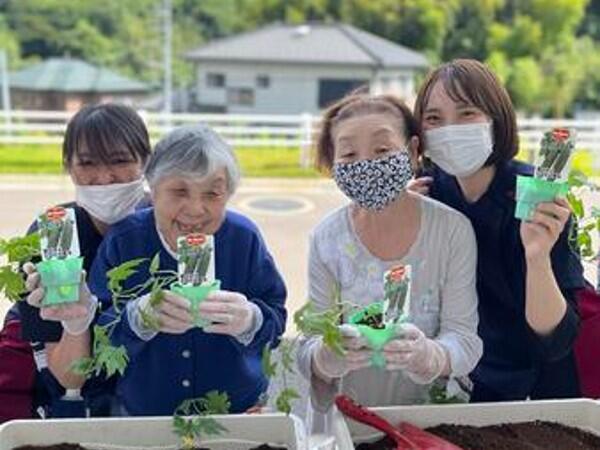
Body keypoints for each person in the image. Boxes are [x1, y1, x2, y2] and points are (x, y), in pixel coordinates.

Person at [296, 93, 482, 426]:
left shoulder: (452, 230)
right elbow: (308, 346)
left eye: (382, 150)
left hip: (434, 422)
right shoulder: (327, 239)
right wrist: (326, 357)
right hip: (354, 421)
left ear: (411, 152)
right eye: (349, 153)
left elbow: (465, 340)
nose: (366, 164)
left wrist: (430, 356)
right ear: (334, 165)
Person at [411, 58, 587, 401]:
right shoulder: (428, 194)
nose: (450, 128)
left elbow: (557, 339)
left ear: (496, 119)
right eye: (434, 119)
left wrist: (537, 259)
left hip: (541, 390)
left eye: (466, 113)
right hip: (462, 381)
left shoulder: (541, 198)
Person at [88, 124, 287, 416]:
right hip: (147, 413)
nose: (195, 209)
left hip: (237, 411)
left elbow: (276, 318)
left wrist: (251, 320)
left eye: (212, 194)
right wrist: (135, 319)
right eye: (179, 191)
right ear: (153, 190)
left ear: (228, 194)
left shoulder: (243, 238)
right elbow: (96, 332)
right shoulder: (124, 241)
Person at [4, 103, 151, 419]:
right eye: (87, 163)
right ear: (69, 167)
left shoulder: (168, 226)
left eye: (120, 160)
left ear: (147, 162)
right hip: (75, 395)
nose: (104, 177)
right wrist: (75, 325)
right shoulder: (53, 235)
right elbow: (66, 377)